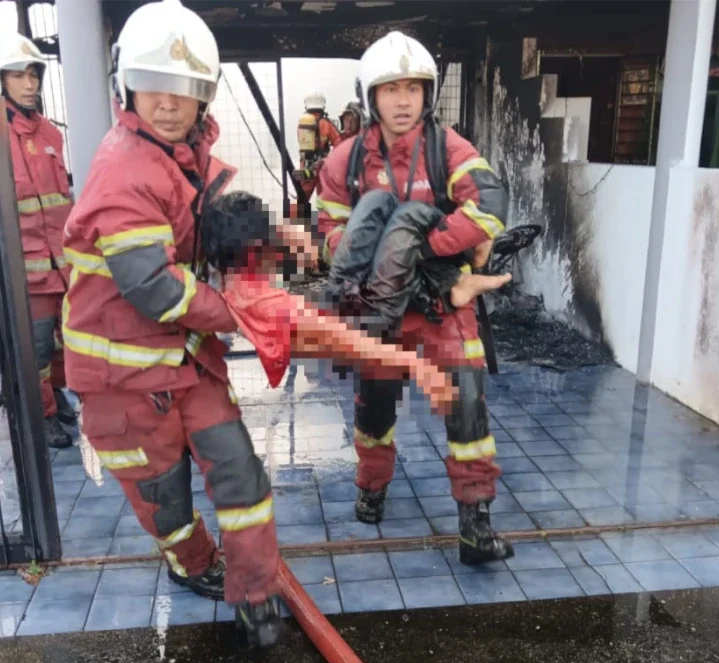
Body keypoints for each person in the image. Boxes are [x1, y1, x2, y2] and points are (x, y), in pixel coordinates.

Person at [61, 0, 287, 647]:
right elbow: (154, 287)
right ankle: (192, 564)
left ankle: (254, 596)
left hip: (187, 367)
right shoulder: (121, 170)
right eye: (154, 86)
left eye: (184, 90)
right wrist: (241, 312)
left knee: (240, 472)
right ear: (128, 87)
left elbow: (210, 213)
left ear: (203, 98)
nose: (168, 103)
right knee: (169, 505)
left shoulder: (184, 157)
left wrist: (269, 243)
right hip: (124, 383)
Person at [314, 30, 514, 565]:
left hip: (442, 309)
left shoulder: (450, 149)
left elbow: (490, 205)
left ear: (428, 94)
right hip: (381, 313)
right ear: (370, 96)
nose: (403, 100)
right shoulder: (345, 160)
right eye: (390, 89)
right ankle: (372, 486)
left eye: (413, 88)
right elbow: (329, 226)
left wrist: (424, 248)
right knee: (373, 410)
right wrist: (372, 258)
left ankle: (476, 525)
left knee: (468, 414)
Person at [202, 191, 509, 406]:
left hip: (342, 294)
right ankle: (468, 261)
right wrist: (419, 367)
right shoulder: (272, 308)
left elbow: (282, 245)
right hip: (368, 317)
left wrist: (297, 243)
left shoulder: (231, 273)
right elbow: (349, 341)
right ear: (256, 247)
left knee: (378, 202)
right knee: (408, 217)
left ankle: (454, 280)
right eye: (270, 234)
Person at [0, 32, 76, 450]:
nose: (29, 84)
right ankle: (40, 417)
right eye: (17, 75)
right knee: (33, 348)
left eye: (33, 74)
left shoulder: (50, 135)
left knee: (60, 342)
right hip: (20, 268)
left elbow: (63, 202)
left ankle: (54, 396)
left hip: (60, 265)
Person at [294, 90, 342, 201]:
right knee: (325, 200)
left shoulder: (302, 123)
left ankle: (297, 218)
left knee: (301, 200)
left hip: (306, 167)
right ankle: (323, 218)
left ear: (306, 104)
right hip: (322, 167)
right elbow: (338, 144)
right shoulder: (327, 123)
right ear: (323, 104)